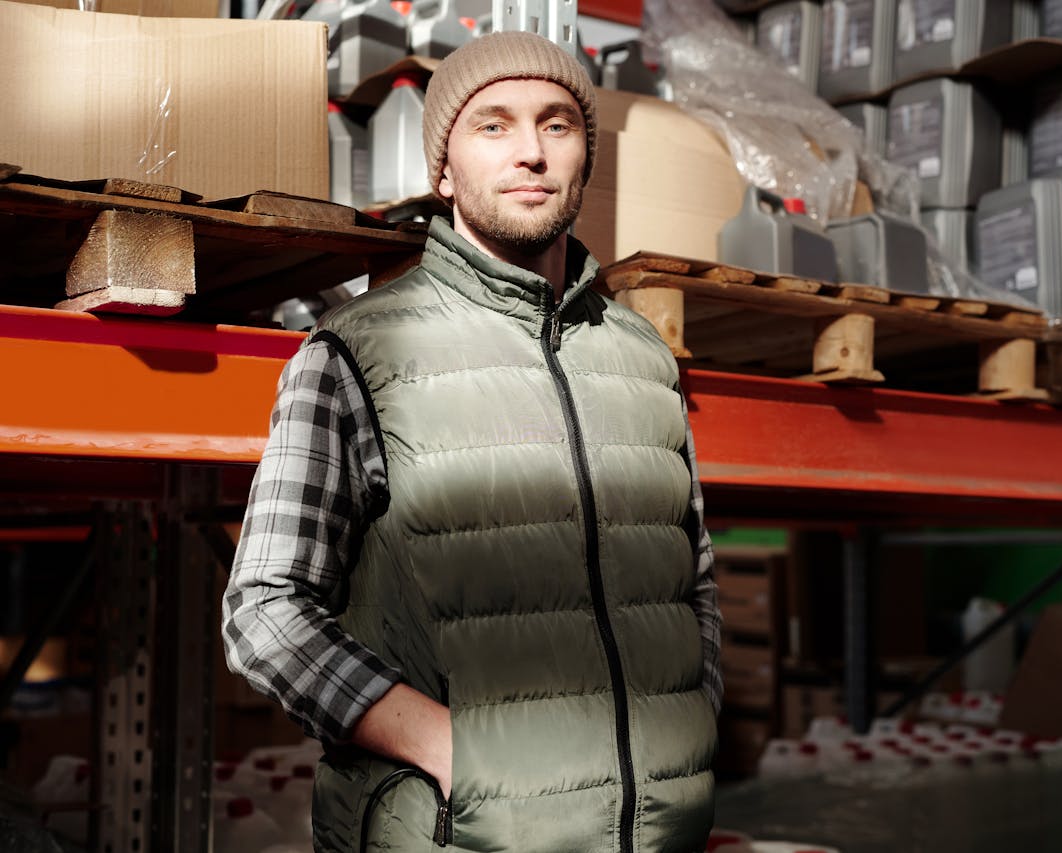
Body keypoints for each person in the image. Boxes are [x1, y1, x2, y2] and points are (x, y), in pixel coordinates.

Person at [222, 30, 722, 853]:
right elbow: (265, 610)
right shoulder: (356, 354)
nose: (531, 151)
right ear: (444, 171)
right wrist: (450, 750)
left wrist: (689, 738)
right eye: (493, 125)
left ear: (584, 159)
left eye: (557, 124)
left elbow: (690, 582)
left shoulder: (643, 359)